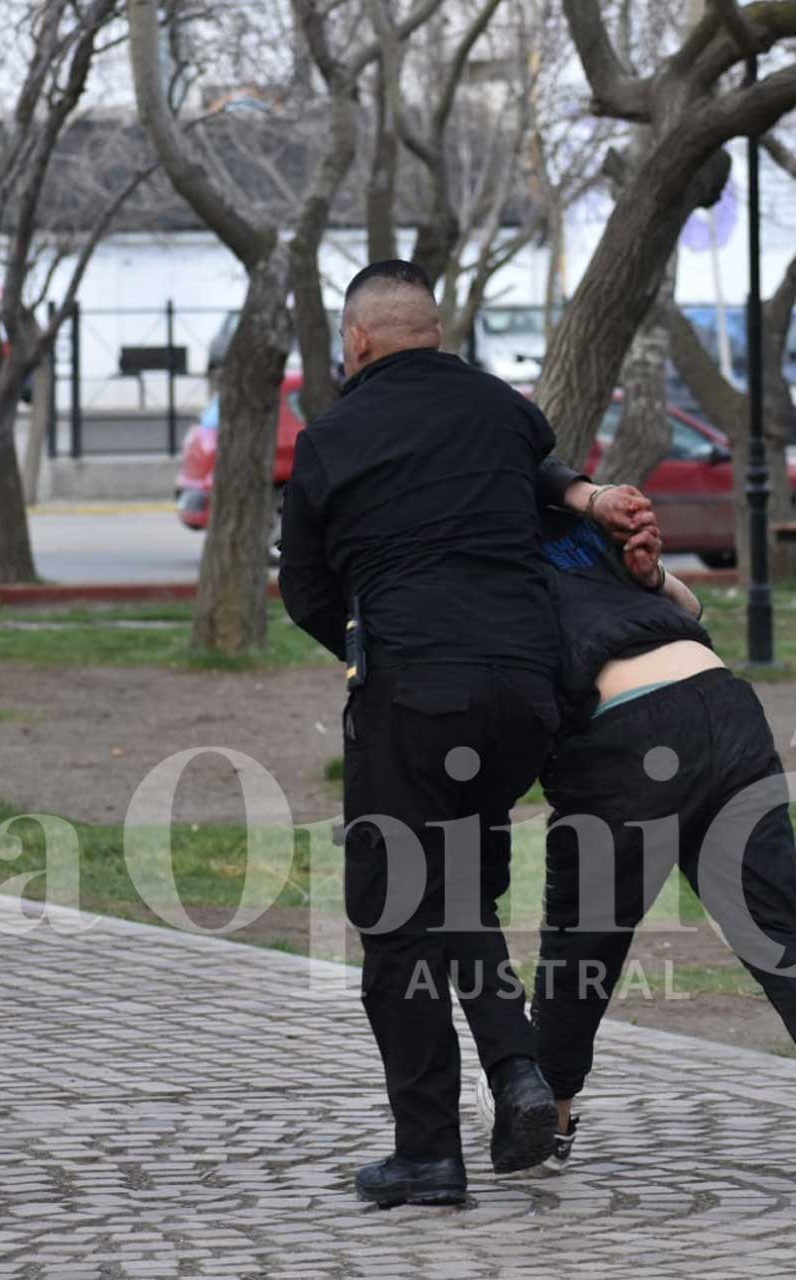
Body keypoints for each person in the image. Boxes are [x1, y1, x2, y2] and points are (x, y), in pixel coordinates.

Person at [278, 259, 653, 1209]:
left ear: (357, 340)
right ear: (435, 329)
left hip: (415, 700)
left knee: (395, 925)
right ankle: (520, 1076)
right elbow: (540, 479)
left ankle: (429, 1155)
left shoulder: (328, 439)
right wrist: (588, 495)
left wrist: (373, 650)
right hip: (525, 701)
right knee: (454, 893)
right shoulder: (505, 410)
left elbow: (308, 591)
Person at [473, 507, 796, 1213]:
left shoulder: (476, 555)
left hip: (624, 729)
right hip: (723, 701)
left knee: (584, 940)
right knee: (780, 931)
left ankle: (547, 1118)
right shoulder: (569, 518)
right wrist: (652, 574)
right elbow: (676, 605)